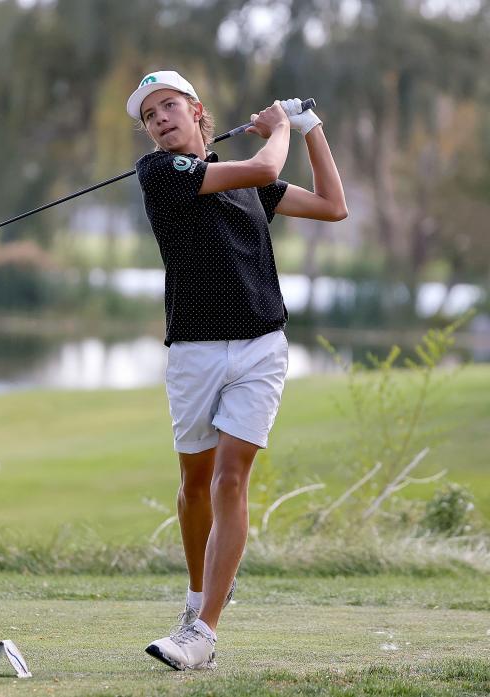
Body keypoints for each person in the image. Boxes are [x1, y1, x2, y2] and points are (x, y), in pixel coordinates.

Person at [125, 71, 347, 670]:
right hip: (193, 351)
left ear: (198, 111)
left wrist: (308, 129)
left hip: (260, 346)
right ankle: (197, 596)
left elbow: (333, 205)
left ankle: (202, 632)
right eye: (149, 116)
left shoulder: (246, 181)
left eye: (169, 106)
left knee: (229, 480)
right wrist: (276, 132)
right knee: (194, 486)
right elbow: (263, 169)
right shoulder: (159, 174)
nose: (160, 119)